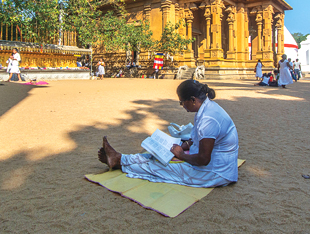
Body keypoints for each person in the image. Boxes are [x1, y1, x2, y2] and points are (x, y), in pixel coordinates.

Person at [98, 80, 239, 188]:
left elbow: (203, 159)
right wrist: (186, 145)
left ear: (193, 100)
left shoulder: (209, 118)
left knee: (160, 167)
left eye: (182, 102)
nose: (182, 106)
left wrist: (181, 155)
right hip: (209, 160)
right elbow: (201, 138)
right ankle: (120, 158)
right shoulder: (206, 108)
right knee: (158, 155)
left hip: (216, 172)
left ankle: (120, 165)